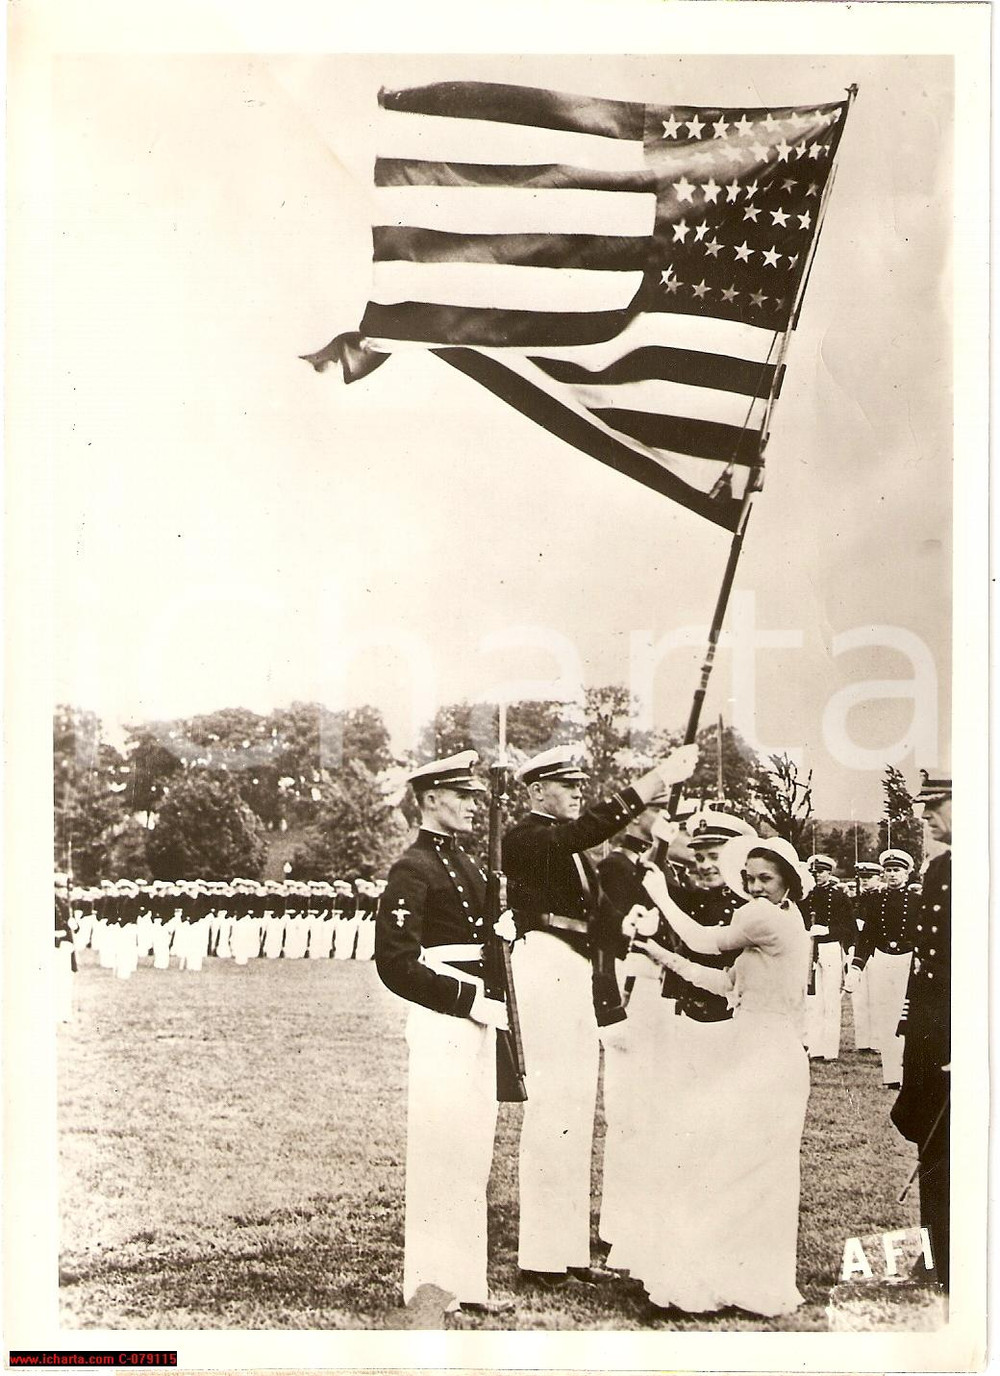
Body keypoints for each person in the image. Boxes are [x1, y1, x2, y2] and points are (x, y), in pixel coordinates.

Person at [502, 741, 697, 1287]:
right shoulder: (527, 838)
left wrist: (632, 925)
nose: (577, 794)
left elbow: (598, 917)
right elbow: (581, 832)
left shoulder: (573, 854)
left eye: (580, 786)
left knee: (574, 1107)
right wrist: (651, 782)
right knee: (553, 1108)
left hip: (574, 969)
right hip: (544, 963)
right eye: (568, 786)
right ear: (537, 789)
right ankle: (540, 1255)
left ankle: (564, 1253)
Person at [634, 834, 813, 1316]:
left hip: (765, 1054)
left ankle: (734, 1283)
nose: (754, 887)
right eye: (749, 878)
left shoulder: (762, 918)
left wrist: (660, 896)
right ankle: (737, 1281)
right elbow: (722, 980)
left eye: (765, 879)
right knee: (740, 1169)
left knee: (740, 1169)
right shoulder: (781, 920)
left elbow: (702, 940)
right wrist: (659, 955)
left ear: (788, 882)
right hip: (761, 1048)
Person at [375, 750, 514, 1318]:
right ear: (431, 798)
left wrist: (507, 927)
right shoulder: (413, 868)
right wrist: (466, 999)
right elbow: (396, 962)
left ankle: (466, 1282)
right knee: (440, 1149)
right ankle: (432, 1284)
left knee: (472, 1148)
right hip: (445, 1017)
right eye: (462, 796)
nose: (472, 806)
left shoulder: (474, 865)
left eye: (476, 796)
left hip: (483, 1013)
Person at [890, 772, 951, 1292]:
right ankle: (936, 1252)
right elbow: (926, 962)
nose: (926, 815)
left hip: (963, 1032)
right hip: (932, 1034)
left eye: (938, 804)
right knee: (931, 1135)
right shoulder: (939, 869)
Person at [844, 849, 919, 1087]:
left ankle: (911, 1074)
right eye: (888, 870)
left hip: (908, 961)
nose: (892, 875)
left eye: (897, 870)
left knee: (908, 1018)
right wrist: (857, 967)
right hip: (883, 960)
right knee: (886, 1018)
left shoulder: (918, 900)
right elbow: (867, 936)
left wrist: (921, 960)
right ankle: (892, 1077)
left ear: (907, 872)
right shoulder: (876, 900)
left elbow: (924, 936)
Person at [801, 854, 857, 1061]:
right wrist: (808, 931)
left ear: (829, 873)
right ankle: (815, 1047)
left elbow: (848, 927)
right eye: (814, 872)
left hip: (831, 948)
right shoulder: (806, 897)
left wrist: (828, 930)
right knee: (814, 1001)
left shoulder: (839, 896)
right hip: (810, 949)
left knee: (831, 999)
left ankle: (830, 1050)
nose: (817, 875)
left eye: (821, 871)